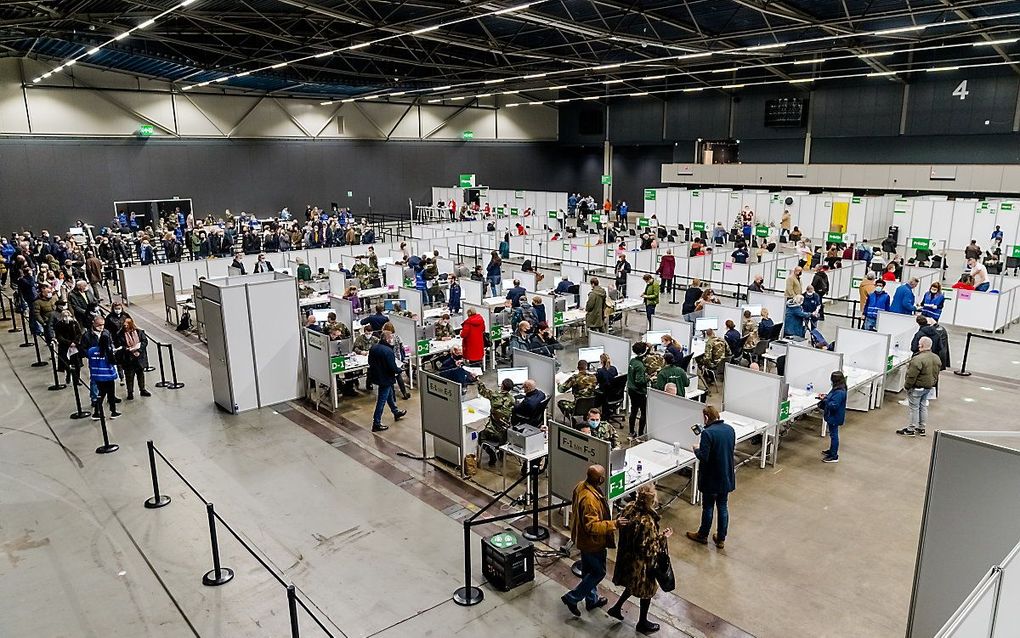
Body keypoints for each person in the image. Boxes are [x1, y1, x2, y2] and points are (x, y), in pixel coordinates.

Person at [606, 482, 672, 633]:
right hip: (642, 564)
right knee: (646, 591)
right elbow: (648, 547)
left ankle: (616, 608)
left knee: (631, 584)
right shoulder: (647, 521)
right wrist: (663, 537)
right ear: (651, 500)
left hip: (627, 557)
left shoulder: (629, 508)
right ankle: (642, 622)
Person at [562, 465, 626, 618]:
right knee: (598, 572)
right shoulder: (590, 500)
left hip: (583, 539)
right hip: (592, 543)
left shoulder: (581, 486)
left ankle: (592, 600)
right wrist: (614, 524)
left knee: (588, 572)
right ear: (601, 479)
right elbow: (591, 526)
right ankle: (573, 597)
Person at [687, 406, 735, 549]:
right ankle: (721, 538)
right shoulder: (729, 430)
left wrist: (696, 449)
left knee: (708, 507)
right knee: (722, 506)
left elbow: (704, 457)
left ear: (706, 418)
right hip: (726, 475)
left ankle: (702, 535)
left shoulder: (707, 434)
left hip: (711, 478)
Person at [898, 336, 941, 437]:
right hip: (928, 387)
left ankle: (911, 429)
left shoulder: (917, 359)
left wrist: (907, 386)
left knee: (914, 408)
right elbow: (936, 373)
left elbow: (911, 376)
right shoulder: (936, 358)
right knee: (923, 406)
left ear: (921, 345)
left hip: (917, 388)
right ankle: (921, 428)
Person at [367, 331, 407, 432]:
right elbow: (392, 367)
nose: (393, 340)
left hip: (377, 376)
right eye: (392, 338)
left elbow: (369, 362)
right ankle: (376, 423)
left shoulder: (374, 347)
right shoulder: (388, 351)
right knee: (381, 400)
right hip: (386, 378)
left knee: (389, 395)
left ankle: (395, 411)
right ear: (387, 339)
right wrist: (400, 370)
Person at [477, 379, 515, 465]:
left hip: (494, 433)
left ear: (502, 386)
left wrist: (478, 380)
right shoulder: (512, 399)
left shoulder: (495, 396)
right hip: (507, 435)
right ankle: (501, 453)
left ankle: (491, 454)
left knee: (480, 436)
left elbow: (483, 391)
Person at [116, 317, 150, 399]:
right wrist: (127, 349)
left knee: (140, 374)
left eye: (127, 325)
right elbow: (119, 345)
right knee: (129, 376)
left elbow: (144, 341)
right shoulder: (120, 334)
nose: (126, 327)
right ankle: (130, 392)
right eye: (124, 326)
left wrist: (139, 350)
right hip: (128, 358)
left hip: (139, 357)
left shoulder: (139, 332)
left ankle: (142, 389)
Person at [817, 371, 847, 463]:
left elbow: (834, 405)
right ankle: (832, 451)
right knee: (833, 434)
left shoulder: (839, 392)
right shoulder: (839, 388)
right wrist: (826, 397)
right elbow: (832, 398)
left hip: (834, 416)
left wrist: (825, 401)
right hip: (834, 416)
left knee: (834, 435)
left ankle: (834, 456)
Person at [627, 342, 649, 437]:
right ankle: (640, 434)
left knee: (633, 410)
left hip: (631, 389)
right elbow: (639, 381)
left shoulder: (633, 361)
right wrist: (649, 378)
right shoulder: (640, 366)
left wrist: (648, 349)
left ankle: (631, 431)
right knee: (643, 412)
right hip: (639, 392)